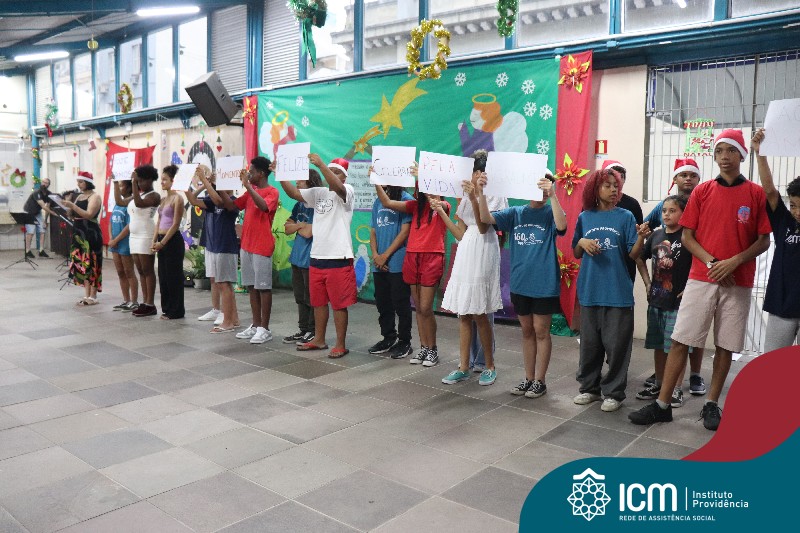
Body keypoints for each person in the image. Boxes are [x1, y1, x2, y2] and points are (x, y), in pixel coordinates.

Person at [629, 129, 771, 431]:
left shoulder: (755, 194)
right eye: (719, 151)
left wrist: (734, 262)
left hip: (738, 281)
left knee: (725, 344)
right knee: (681, 339)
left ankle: (711, 403)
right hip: (701, 277)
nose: (724, 157)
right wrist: (713, 263)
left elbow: (763, 241)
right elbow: (688, 237)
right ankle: (662, 405)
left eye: (730, 150)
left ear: (742, 154)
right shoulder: (703, 192)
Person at [478, 171, 566, 398]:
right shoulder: (516, 213)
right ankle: (528, 378)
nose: (542, 191)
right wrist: (482, 193)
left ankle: (540, 381)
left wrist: (553, 196)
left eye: (547, 186)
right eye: (539, 185)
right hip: (520, 283)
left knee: (541, 331)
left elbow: (562, 226)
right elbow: (486, 218)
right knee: (527, 331)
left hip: (544, 283)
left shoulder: (551, 211)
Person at [572, 168, 651, 412]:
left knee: (617, 347)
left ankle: (614, 392)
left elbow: (633, 254)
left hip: (618, 292)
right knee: (589, 345)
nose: (613, 189)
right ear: (595, 189)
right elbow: (576, 251)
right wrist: (582, 242)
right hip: (590, 290)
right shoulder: (585, 217)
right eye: (607, 185)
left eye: (615, 185)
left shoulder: (626, 216)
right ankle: (589, 388)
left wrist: (641, 237)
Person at [438, 150, 506, 386]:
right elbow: (460, 232)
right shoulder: (467, 194)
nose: (476, 176)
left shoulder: (495, 195)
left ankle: (489, 365)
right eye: (474, 172)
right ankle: (463, 366)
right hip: (466, 249)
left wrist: (476, 197)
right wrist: (441, 212)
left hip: (484, 247)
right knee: (464, 312)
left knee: (480, 311)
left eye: (480, 172)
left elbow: (483, 226)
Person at [639, 158, 706, 397]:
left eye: (692, 175)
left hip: (689, 288)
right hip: (660, 293)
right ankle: (663, 380)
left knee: (691, 337)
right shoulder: (663, 208)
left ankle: (693, 375)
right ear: (675, 178)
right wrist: (643, 234)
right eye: (683, 174)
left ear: (699, 179)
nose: (688, 179)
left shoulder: (704, 201)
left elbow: (702, 249)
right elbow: (646, 232)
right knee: (663, 341)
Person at [280, 155, 356, 358]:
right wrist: (281, 174)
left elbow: (337, 187)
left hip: (338, 257)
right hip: (317, 257)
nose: (332, 174)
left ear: (344, 177)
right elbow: (294, 193)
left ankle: (340, 344)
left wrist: (322, 165)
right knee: (318, 302)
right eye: (331, 170)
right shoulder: (319, 193)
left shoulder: (347, 190)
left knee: (339, 304)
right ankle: (319, 339)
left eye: (337, 172)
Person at [374, 168, 450, 366]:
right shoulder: (414, 206)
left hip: (432, 257)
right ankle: (424, 347)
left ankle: (432, 349)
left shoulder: (443, 206)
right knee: (418, 307)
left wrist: (422, 174)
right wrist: (376, 179)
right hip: (412, 257)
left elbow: (436, 203)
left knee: (426, 307)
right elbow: (387, 202)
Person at [635, 196, 692, 408]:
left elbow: (699, 263)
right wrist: (647, 283)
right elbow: (639, 258)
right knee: (659, 345)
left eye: (672, 210)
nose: (666, 214)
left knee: (677, 346)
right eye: (664, 210)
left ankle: (675, 388)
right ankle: (659, 383)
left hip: (678, 303)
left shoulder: (689, 236)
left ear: (684, 213)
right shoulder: (656, 235)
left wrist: (690, 288)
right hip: (657, 299)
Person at [752, 128, 800, 351]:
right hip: (782, 304)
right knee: (774, 362)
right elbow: (770, 192)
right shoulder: (785, 223)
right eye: (793, 205)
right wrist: (760, 153)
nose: (796, 211)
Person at [226, 156, 280, 344]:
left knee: (263, 287)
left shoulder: (272, 191)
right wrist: (223, 187)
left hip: (262, 245)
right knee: (251, 286)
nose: (249, 174)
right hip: (246, 245)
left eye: (252, 172)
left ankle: (265, 328)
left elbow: (264, 206)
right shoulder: (251, 191)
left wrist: (247, 186)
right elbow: (231, 206)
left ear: (261, 174)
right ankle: (256, 325)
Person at [186, 166, 241, 332]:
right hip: (214, 246)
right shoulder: (212, 199)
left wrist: (206, 181)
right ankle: (233, 319)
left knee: (225, 284)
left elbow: (219, 201)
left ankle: (228, 321)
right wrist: (202, 184)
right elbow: (193, 200)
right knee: (220, 282)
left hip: (225, 246)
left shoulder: (232, 201)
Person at [368, 185, 413, 359]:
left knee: (400, 301)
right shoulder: (378, 201)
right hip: (379, 262)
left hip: (397, 260)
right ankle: (388, 337)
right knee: (382, 302)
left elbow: (405, 231)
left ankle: (405, 341)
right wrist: (375, 255)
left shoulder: (406, 199)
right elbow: (373, 231)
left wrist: (386, 255)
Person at [282, 170, 321, 345]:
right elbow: (286, 228)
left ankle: (313, 330)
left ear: (311, 184)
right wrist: (300, 225)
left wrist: (298, 227)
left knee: (311, 296)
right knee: (299, 296)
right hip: (297, 258)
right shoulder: (299, 205)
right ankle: (303, 329)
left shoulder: (317, 206)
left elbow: (308, 233)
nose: (297, 183)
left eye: (301, 181)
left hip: (310, 258)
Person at [62, 172, 103, 305]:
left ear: (88, 182)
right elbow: (71, 215)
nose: (78, 184)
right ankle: (86, 295)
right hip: (79, 234)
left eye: (81, 182)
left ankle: (93, 296)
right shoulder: (79, 196)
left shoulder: (95, 197)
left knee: (93, 263)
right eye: (78, 182)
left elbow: (89, 214)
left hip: (90, 233)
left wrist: (73, 205)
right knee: (83, 264)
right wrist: (67, 204)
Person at [151, 165, 185, 320]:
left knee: (173, 277)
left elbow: (175, 224)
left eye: (165, 179)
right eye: (162, 179)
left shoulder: (178, 198)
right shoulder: (163, 200)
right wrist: (154, 240)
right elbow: (159, 221)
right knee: (163, 277)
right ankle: (166, 309)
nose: (162, 182)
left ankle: (176, 311)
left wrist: (163, 243)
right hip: (161, 240)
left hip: (172, 241)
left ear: (173, 180)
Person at [601, 160, 643, 282]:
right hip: (599, 263)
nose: (617, 181)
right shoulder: (591, 206)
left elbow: (637, 239)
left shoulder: (632, 204)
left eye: (621, 177)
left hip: (625, 264)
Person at [129, 165, 161, 317]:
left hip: (146, 235)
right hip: (134, 236)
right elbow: (121, 201)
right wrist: (115, 183)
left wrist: (134, 183)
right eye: (138, 181)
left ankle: (150, 303)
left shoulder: (154, 196)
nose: (139, 183)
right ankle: (144, 302)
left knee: (148, 270)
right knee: (140, 270)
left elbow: (139, 204)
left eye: (142, 181)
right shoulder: (140, 194)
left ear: (150, 180)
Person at [109, 180, 139, 311]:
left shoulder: (130, 204)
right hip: (114, 243)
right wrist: (111, 238)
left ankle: (134, 301)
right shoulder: (118, 203)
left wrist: (116, 240)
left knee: (129, 272)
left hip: (125, 243)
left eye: (121, 185)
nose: (119, 188)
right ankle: (126, 300)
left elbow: (129, 226)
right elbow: (111, 221)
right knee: (120, 272)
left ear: (128, 188)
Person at [22, 177, 53, 258]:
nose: (44, 184)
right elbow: (43, 206)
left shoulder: (49, 194)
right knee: (30, 232)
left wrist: (45, 220)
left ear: (48, 185)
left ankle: (41, 250)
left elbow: (48, 207)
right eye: (43, 182)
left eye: (46, 183)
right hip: (29, 212)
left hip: (37, 213)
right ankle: (27, 251)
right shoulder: (36, 192)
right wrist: (53, 213)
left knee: (42, 230)